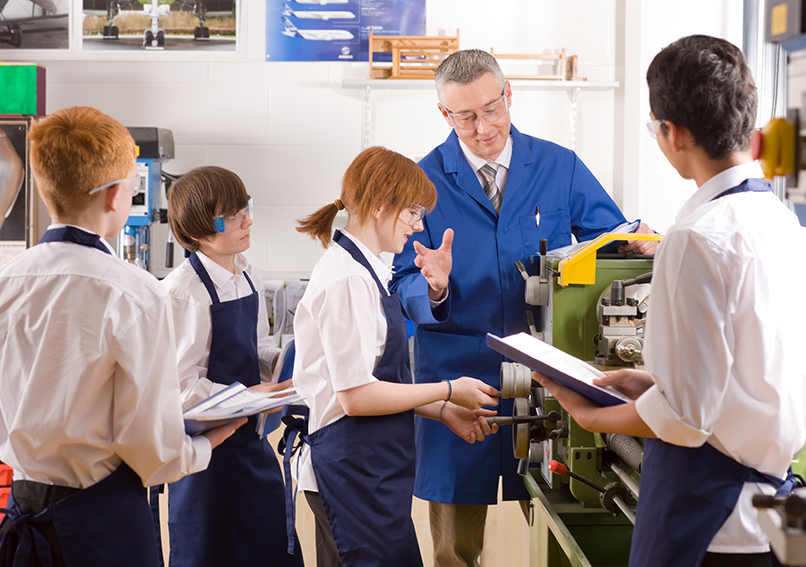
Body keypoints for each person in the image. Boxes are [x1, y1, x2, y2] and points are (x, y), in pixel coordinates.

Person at [534, 35, 806, 567]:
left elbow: (686, 420)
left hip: (706, 520)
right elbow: (758, 380)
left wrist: (594, 417)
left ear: (672, 133)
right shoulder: (796, 234)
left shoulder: (695, 240)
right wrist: (652, 382)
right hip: (769, 516)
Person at [388, 48, 657, 566]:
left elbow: (610, 246)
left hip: (550, 379)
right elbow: (402, 280)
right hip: (458, 383)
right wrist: (436, 289)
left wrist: (638, 243)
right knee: (453, 550)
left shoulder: (559, 166)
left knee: (563, 525)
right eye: (465, 116)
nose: (483, 126)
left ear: (509, 95)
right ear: (444, 115)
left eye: (491, 108)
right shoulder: (421, 181)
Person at [0, 106, 243, 567]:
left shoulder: (8, 280)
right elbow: (152, 451)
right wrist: (206, 444)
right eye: (134, 185)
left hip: (21, 517)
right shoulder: (134, 293)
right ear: (115, 197)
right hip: (100, 525)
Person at [293, 146, 500, 567]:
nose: (418, 226)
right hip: (350, 471)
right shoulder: (347, 279)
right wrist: (448, 389)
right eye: (412, 213)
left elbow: (375, 382)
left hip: (369, 470)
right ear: (378, 206)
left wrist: (442, 411)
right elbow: (356, 397)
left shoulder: (369, 270)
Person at [162, 166, 304, 567]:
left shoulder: (247, 272)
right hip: (206, 463)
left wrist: (287, 362)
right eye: (234, 215)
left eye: (246, 208)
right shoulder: (183, 292)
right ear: (197, 230)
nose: (248, 221)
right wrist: (245, 395)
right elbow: (180, 388)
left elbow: (256, 346)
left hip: (253, 448)